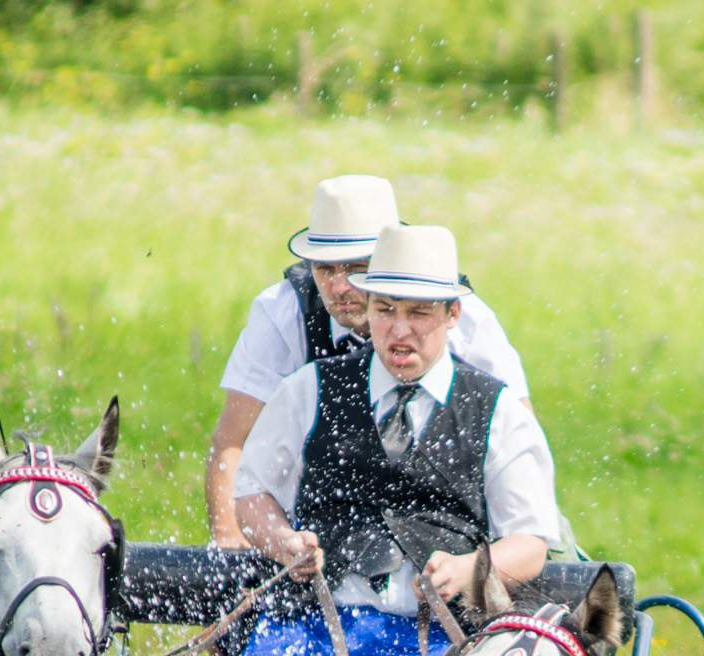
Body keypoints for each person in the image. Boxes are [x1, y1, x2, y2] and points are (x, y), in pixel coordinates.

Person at [186, 223, 562, 656]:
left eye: (420, 313)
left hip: (420, 643)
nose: (401, 331)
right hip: (304, 626)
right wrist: (283, 540)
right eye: (387, 310)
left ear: (453, 316)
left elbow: (531, 542)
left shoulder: (497, 411)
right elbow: (253, 496)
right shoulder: (307, 391)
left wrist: (473, 567)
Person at [205, 176, 532, 549]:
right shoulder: (283, 311)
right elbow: (234, 441)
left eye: (356, 267)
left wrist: (512, 553)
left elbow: (520, 436)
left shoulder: (464, 316)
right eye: (325, 270)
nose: (340, 287)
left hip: (457, 514)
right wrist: (231, 546)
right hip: (323, 519)